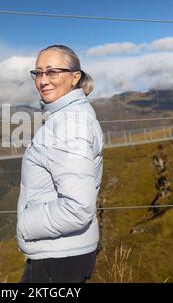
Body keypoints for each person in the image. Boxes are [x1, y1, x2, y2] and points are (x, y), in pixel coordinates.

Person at [16, 44, 104, 283]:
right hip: (59, 252)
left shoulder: (70, 125)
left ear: (75, 77)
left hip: (60, 259)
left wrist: (25, 225)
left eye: (52, 71)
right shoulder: (66, 117)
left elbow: (78, 208)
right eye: (38, 72)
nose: (43, 80)